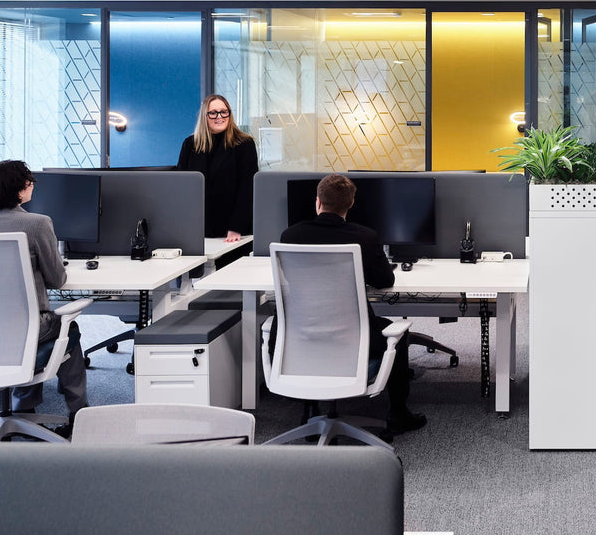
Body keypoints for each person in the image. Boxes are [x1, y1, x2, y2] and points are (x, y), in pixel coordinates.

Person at [279, 173, 426, 435]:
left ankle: (310, 408)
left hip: (305, 333)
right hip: (353, 337)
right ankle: (399, 413)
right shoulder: (364, 237)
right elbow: (384, 281)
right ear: (351, 203)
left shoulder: (291, 235)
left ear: (318, 201)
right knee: (399, 335)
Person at [0, 159, 86, 428]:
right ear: (19, 189)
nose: (32, 186)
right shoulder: (37, 223)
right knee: (67, 328)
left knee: (33, 330)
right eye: (29, 183)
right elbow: (57, 279)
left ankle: (24, 409)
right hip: (26, 328)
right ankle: (79, 413)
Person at [177, 94, 259, 244]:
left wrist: (236, 226)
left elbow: (247, 189)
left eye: (224, 112)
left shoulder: (244, 144)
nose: (219, 117)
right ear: (205, 116)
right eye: (213, 113)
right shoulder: (190, 144)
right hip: (198, 227)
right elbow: (181, 186)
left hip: (232, 231)